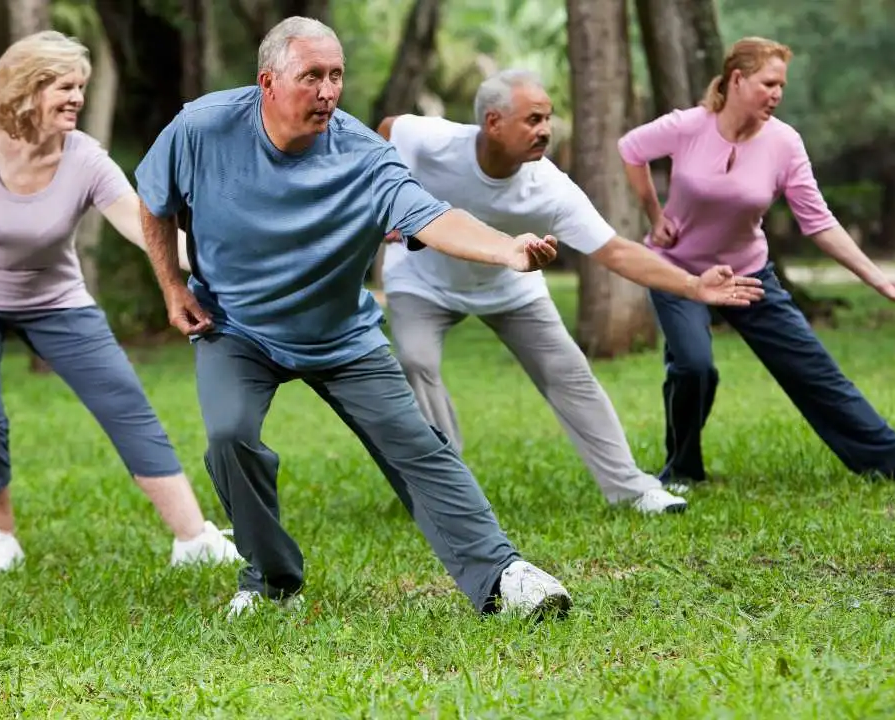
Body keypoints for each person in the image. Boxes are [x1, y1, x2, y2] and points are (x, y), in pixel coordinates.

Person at [133, 16, 574, 621]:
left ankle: (503, 575)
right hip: (235, 325)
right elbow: (153, 201)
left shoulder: (364, 156)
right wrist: (171, 285)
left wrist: (507, 249)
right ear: (267, 81)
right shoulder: (203, 127)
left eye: (336, 75)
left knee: (419, 447)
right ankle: (271, 580)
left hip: (339, 335)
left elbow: (431, 215)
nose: (328, 90)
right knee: (228, 436)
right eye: (311, 75)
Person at [0, 31, 242, 575]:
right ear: (26, 89)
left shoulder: (86, 160)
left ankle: (193, 537)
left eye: (81, 88)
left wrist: (227, 261)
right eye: (64, 87)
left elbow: (145, 230)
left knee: (125, 403)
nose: (76, 98)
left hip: (54, 298)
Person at [374, 69, 766, 516]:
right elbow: (389, 128)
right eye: (533, 119)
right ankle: (446, 491)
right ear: (493, 122)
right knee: (416, 361)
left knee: (571, 375)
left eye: (549, 118)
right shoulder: (435, 140)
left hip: (510, 286)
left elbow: (617, 252)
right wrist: (388, 199)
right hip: (422, 280)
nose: (546, 130)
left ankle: (632, 488)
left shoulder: (550, 187)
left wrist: (693, 284)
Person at [616, 36, 895, 490]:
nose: (777, 94)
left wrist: (878, 278)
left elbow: (818, 222)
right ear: (737, 79)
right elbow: (630, 149)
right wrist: (654, 213)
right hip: (679, 271)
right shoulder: (688, 126)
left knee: (812, 368)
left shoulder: (784, 143)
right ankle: (682, 470)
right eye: (769, 83)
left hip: (748, 273)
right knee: (693, 366)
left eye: (782, 85)